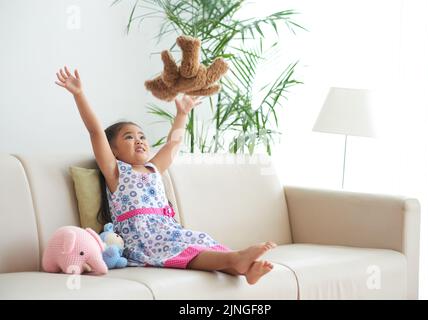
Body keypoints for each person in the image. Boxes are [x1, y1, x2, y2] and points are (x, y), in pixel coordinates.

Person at [55, 66, 276, 284]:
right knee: (183, 250)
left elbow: (174, 143)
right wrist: (79, 94)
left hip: (169, 228)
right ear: (114, 150)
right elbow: (95, 131)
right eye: (129, 137)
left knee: (200, 241)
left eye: (142, 136)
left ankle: (244, 270)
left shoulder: (153, 169)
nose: (139, 140)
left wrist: (182, 114)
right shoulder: (115, 172)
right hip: (142, 236)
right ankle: (237, 258)